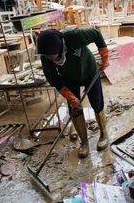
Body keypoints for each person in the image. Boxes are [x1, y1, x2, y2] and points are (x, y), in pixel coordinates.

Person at [37, 28, 110, 158]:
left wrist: (105, 57)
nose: (49, 58)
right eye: (46, 56)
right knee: (75, 109)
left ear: (59, 47)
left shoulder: (74, 36)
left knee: (97, 103)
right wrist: (70, 97)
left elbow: (96, 34)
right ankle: (84, 143)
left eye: (51, 55)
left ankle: (104, 134)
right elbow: (54, 79)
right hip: (69, 78)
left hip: (89, 71)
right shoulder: (46, 56)